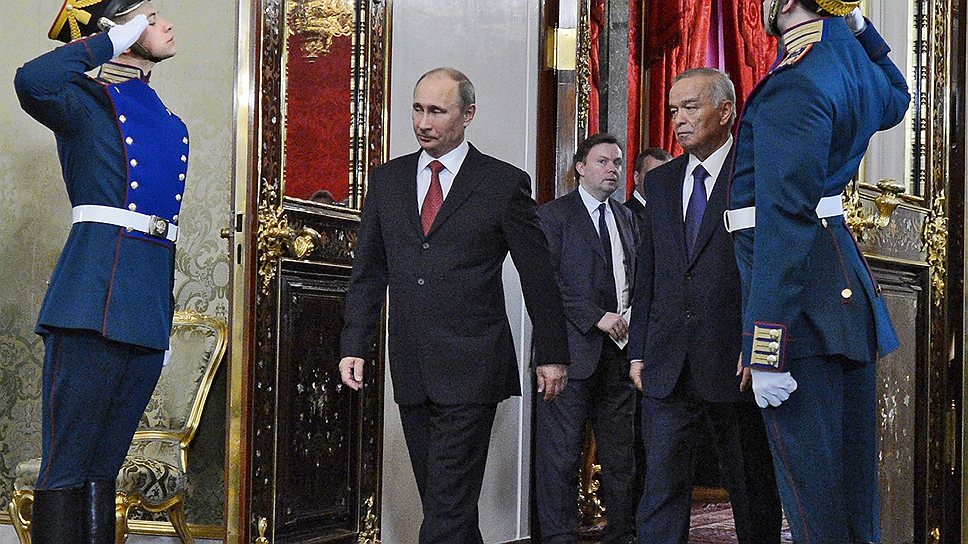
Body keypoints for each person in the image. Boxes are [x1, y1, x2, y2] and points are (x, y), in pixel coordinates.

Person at [338, 67, 570, 544]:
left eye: (437, 111)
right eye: (418, 109)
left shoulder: (503, 183)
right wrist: (355, 344)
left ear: (467, 115)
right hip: (412, 366)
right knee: (448, 503)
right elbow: (369, 272)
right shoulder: (387, 181)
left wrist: (552, 353)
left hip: (474, 366)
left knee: (446, 506)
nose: (423, 122)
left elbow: (539, 276)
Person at [726, 2, 909, 542]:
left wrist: (767, 346)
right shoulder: (845, 61)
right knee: (850, 496)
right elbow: (898, 97)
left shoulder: (796, 80)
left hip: (803, 305)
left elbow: (785, 220)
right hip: (839, 289)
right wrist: (859, 27)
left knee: (813, 501)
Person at [14, 1, 185, 542]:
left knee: (103, 468)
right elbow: (32, 80)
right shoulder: (84, 102)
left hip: (145, 309)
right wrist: (110, 41)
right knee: (67, 465)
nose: (165, 24)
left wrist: (161, 316)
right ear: (120, 30)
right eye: (150, 17)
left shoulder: (167, 119)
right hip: (91, 303)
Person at [628, 68, 781, 544]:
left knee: (750, 486)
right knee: (660, 488)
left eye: (691, 107)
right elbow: (649, 271)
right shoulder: (662, 182)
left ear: (726, 111)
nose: (678, 119)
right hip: (667, 362)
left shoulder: (756, 174)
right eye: (674, 109)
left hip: (735, 360)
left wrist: (760, 345)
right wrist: (638, 349)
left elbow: (772, 265)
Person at [535, 133, 639, 544]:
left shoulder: (627, 217)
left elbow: (635, 277)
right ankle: (558, 537)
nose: (612, 169)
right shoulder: (553, 216)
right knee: (560, 456)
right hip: (570, 354)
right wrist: (597, 317)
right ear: (580, 167)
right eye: (602, 161)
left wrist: (630, 316)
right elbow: (546, 283)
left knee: (621, 456)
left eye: (617, 162)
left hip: (620, 354)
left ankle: (622, 534)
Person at [625, 147, 672, 221]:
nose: (660, 181)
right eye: (653, 175)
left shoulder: (674, 214)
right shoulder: (623, 215)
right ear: (636, 177)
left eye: (666, 176)